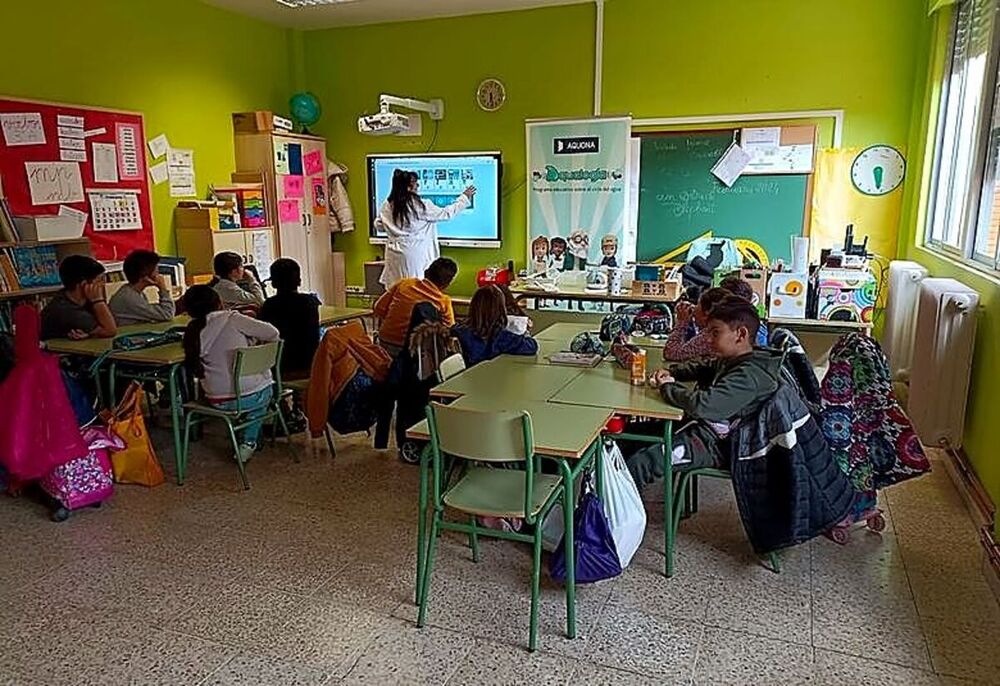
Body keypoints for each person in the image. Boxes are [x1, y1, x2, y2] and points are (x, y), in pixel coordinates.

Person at [627, 297, 782, 488]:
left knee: (640, 464)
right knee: (631, 436)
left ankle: (614, 516)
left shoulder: (751, 375)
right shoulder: (738, 358)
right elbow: (705, 366)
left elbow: (703, 406)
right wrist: (674, 372)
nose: (708, 339)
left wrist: (667, 386)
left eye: (715, 332)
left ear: (741, 334)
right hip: (708, 429)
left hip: (721, 445)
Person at [181, 285, 280, 462]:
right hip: (251, 396)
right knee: (265, 394)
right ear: (219, 302)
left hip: (215, 399)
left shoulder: (192, 332)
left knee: (245, 399)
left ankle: (246, 432)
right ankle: (248, 442)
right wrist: (254, 342)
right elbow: (273, 332)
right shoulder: (233, 319)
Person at [376, 169, 476, 287]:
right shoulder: (420, 205)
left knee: (396, 291)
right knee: (416, 292)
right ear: (408, 188)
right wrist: (464, 198)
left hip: (394, 256)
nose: (418, 185)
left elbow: (379, 226)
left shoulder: (387, 205)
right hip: (415, 257)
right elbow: (446, 213)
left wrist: (394, 227)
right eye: (415, 183)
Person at [374, 257, 458, 356]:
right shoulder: (443, 301)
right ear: (446, 285)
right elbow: (449, 331)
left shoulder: (404, 284)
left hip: (385, 342)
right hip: (414, 349)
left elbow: (378, 308)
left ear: (426, 272)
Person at [259, 258, 320, 379]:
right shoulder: (310, 302)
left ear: (273, 283)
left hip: (280, 369)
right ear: (299, 281)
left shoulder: (269, 305)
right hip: (311, 365)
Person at [452, 285, 539, 366]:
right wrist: (526, 332)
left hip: (466, 377)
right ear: (501, 310)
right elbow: (532, 346)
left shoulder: (460, 330)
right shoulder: (501, 336)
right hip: (492, 376)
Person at [40, 255, 117, 341]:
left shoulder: (83, 302)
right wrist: (98, 300)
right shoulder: (65, 309)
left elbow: (99, 328)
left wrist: (90, 334)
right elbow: (110, 330)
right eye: (100, 280)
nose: (103, 284)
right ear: (84, 284)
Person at [108, 250, 176, 326]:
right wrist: (162, 288)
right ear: (145, 275)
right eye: (156, 270)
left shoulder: (134, 292)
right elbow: (167, 314)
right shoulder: (129, 297)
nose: (158, 274)